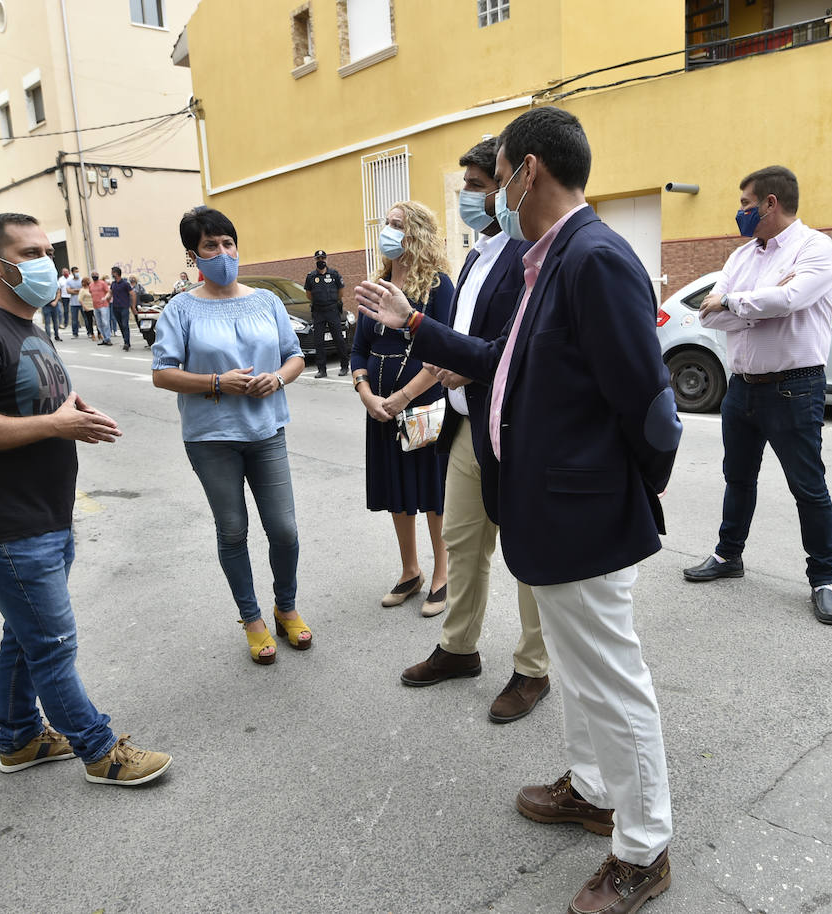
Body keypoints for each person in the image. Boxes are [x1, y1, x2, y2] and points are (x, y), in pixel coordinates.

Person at [355, 106, 681, 913]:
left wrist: (622, 492)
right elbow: (506, 364)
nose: (490, 190)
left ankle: (643, 848)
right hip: (551, 511)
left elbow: (652, 411)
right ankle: (593, 789)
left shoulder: (594, 257)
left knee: (612, 680)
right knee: (579, 669)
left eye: (496, 173)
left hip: (585, 518)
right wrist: (420, 325)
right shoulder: (548, 259)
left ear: (528, 170)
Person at [0, 211, 171, 786]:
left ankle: (20, 738)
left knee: (26, 632)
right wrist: (56, 428)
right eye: (30, 253)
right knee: (52, 644)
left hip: (46, 515)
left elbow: (37, 392)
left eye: (46, 251)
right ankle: (99, 750)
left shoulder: (30, 327)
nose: (47, 264)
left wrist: (75, 409)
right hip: (5, 525)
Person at [397, 137, 551, 725]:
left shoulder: (528, 251)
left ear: (511, 187)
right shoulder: (477, 251)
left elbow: (509, 347)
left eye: (478, 186)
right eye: (464, 186)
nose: (466, 196)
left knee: (525, 553)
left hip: (508, 426)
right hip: (465, 421)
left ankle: (532, 668)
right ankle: (459, 648)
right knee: (463, 542)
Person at [151, 206, 310, 665]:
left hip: (266, 429)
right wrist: (218, 383)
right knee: (233, 529)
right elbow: (163, 373)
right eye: (211, 246)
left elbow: (294, 356)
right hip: (210, 437)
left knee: (283, 528)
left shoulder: (266, 300)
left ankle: (286, 606)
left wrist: (277, 379)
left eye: (228, 243)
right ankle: (252, 618)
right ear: (193, 255)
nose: (223, 253)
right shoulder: (181, 308)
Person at [686, 165, 832, 625]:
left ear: (770, 203)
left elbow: (791, 299)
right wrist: (758, 304)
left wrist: (737, 302)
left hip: (795, 387)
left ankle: (823, 580)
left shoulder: (815, 247)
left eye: (745, 205)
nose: (741, 213)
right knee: (737, 477)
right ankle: (727, 555)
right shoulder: (742, 258)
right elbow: (707, 315)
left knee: (808, 487)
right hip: (742, 388)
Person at [349, 200, 454, 618]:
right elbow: (358, 350)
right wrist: (367, 395)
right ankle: (410, 571)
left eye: (399, 225)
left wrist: (402, 397)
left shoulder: (438, 286)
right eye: (387, 224)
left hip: (421, 405)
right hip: (379, 410)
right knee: (396, 491)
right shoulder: (374, 286)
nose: (390, 231)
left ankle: (441, 575)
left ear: (419, 235)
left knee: (432, 494)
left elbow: (444, 353)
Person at [303, 249, 349, 378]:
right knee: (318, 341)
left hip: (332, 310)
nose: (320, 261)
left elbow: (341, 291)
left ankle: (344, 366)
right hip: (318, 311)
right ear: (315, 260)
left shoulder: (334, 274)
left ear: (326, 259)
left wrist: (333, 301)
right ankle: (321, 370)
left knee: (338, 339)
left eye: (322, 259)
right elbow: (308, 294)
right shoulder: (311, 277)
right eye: (318, 259)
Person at [109, 266, 134, 351]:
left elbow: (132, 294)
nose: (112, 274)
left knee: (125, 325)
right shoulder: (113, 284)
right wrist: (105, 299)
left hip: (124, 307)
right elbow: (110, 293)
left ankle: (127, 343)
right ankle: (125, 341)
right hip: (115, 307)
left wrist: (132, 306)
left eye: (112, 272)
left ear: (116, 273)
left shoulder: (125, 284)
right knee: (120, 325)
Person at [87, 270, 112, 343]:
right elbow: (91, 293)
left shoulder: (102, 283)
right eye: (93, 274)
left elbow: (108, 292)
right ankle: (104, 338)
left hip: (104, 305)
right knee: (99, 323)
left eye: (96, 274)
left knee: (105, 322)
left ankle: (108, 338)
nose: (94, 276)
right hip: (95, 306)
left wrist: (106, 298)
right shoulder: (91, 285)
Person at [42, 269, 64, 342]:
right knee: (47, 322)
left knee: (55, 321)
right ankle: (48, 337)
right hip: (46, 305)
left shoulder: (55, 283)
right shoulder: (43, 284)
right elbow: (42, 294)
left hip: (55, 305)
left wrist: (55, 301)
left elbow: (58, 292)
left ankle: (57, 336)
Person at [78, 272, 99, 339]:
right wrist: (84, 307)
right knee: (90, 321)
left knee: (97, 321)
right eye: (88, 281)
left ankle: (99, 333)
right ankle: (92, 334)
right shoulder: (82, 290)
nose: (89, 281)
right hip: (87, 308)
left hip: (94, 306)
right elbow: (80, 299)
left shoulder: (91, 288)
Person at [66, 267, 83, 338]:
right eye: (76, 271)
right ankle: (75, 333)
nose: (77, 273)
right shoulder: (69, 281)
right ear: (72, 272)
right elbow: (68, 291)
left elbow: (84, 289)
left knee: (86, 318)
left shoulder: (82, 280)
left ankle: (89, 332)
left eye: (78, 271)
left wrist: (74, 290)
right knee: (74, 319)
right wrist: (79, 290)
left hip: (82, 302)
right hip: (73, 303)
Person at [56, 267, 72, 332]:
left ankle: (77, 323)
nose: (65, 273)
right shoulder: (60, 279)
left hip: (72, 296)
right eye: (64, 272)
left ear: (68, 272)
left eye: (66, 271)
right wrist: (59, 296)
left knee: (74, 310)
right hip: (64, 296)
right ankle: (66, 323)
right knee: (65, 311)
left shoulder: (71, 278)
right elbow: (59, 288)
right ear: (62, 273)